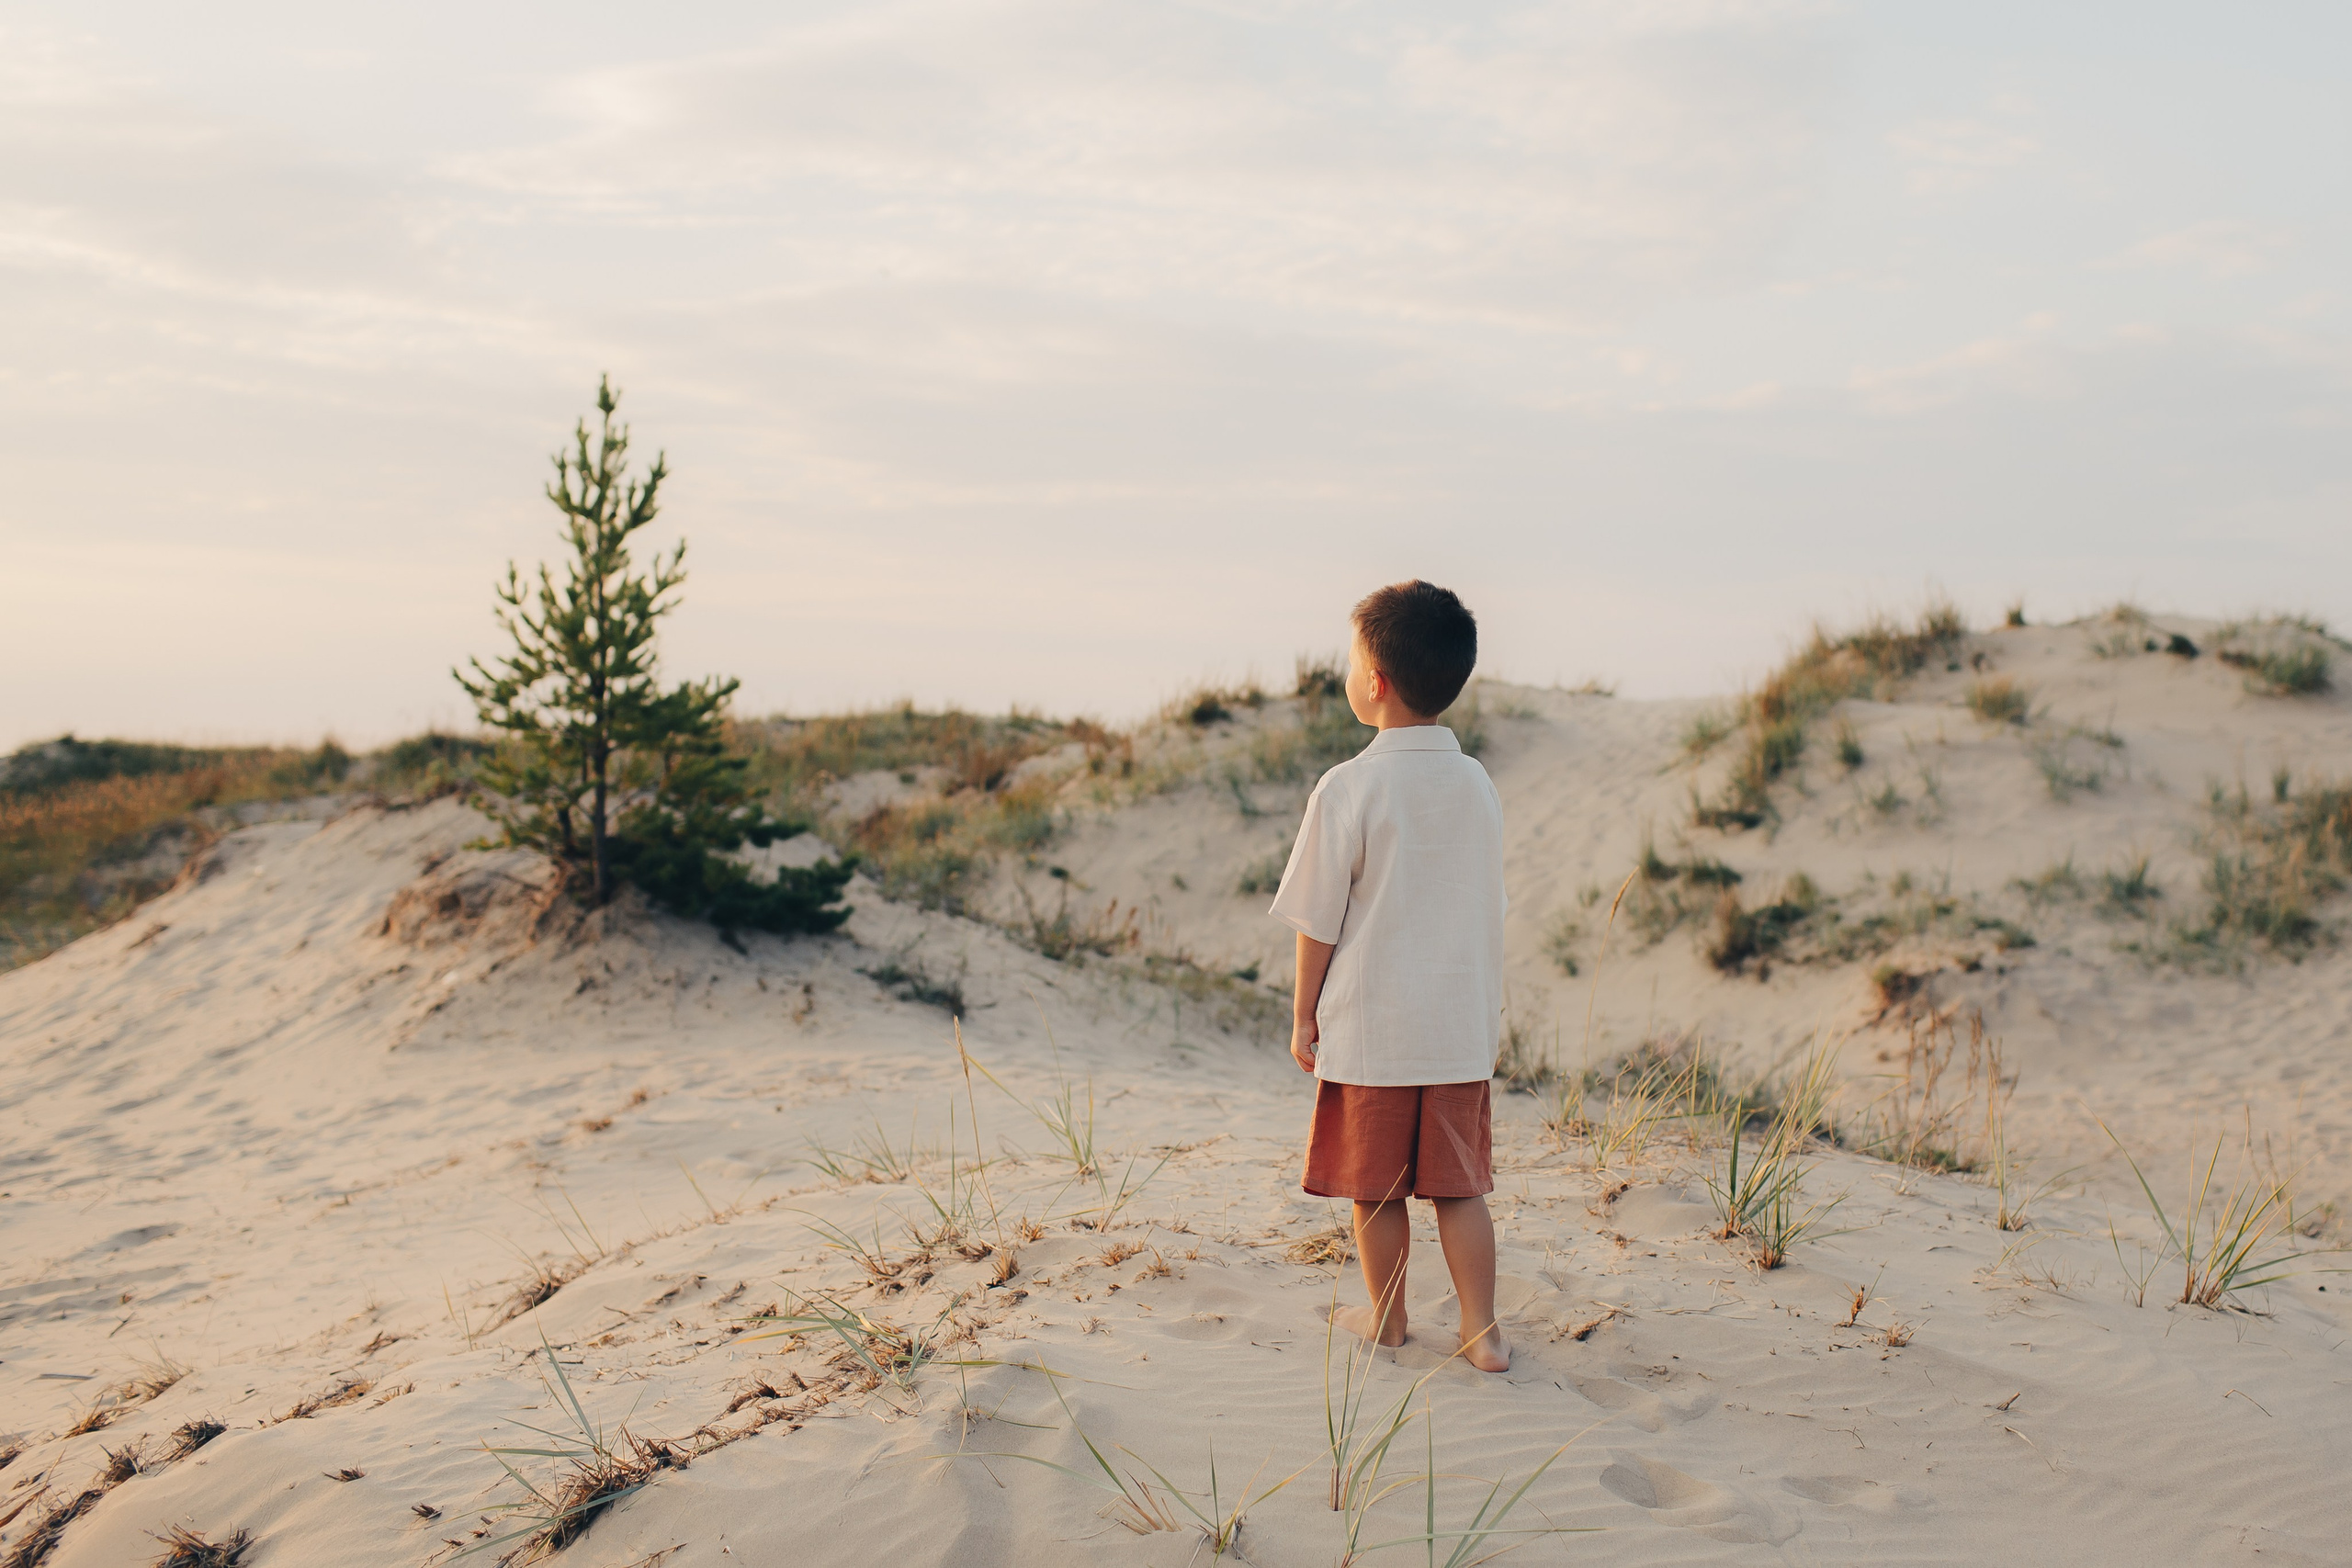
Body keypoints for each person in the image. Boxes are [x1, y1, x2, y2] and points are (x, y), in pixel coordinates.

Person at [1269, 580, 1510, 1372]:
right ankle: (1483, 1330)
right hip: (1455, 1028)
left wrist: (1305, 1016)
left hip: (1373, 1027)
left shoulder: (1349, 786)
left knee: (1377, 1188)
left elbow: (1318, 918)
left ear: (1374, 681)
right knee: (1458, 1187)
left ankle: (1390, 1319)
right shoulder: (1476, 784)